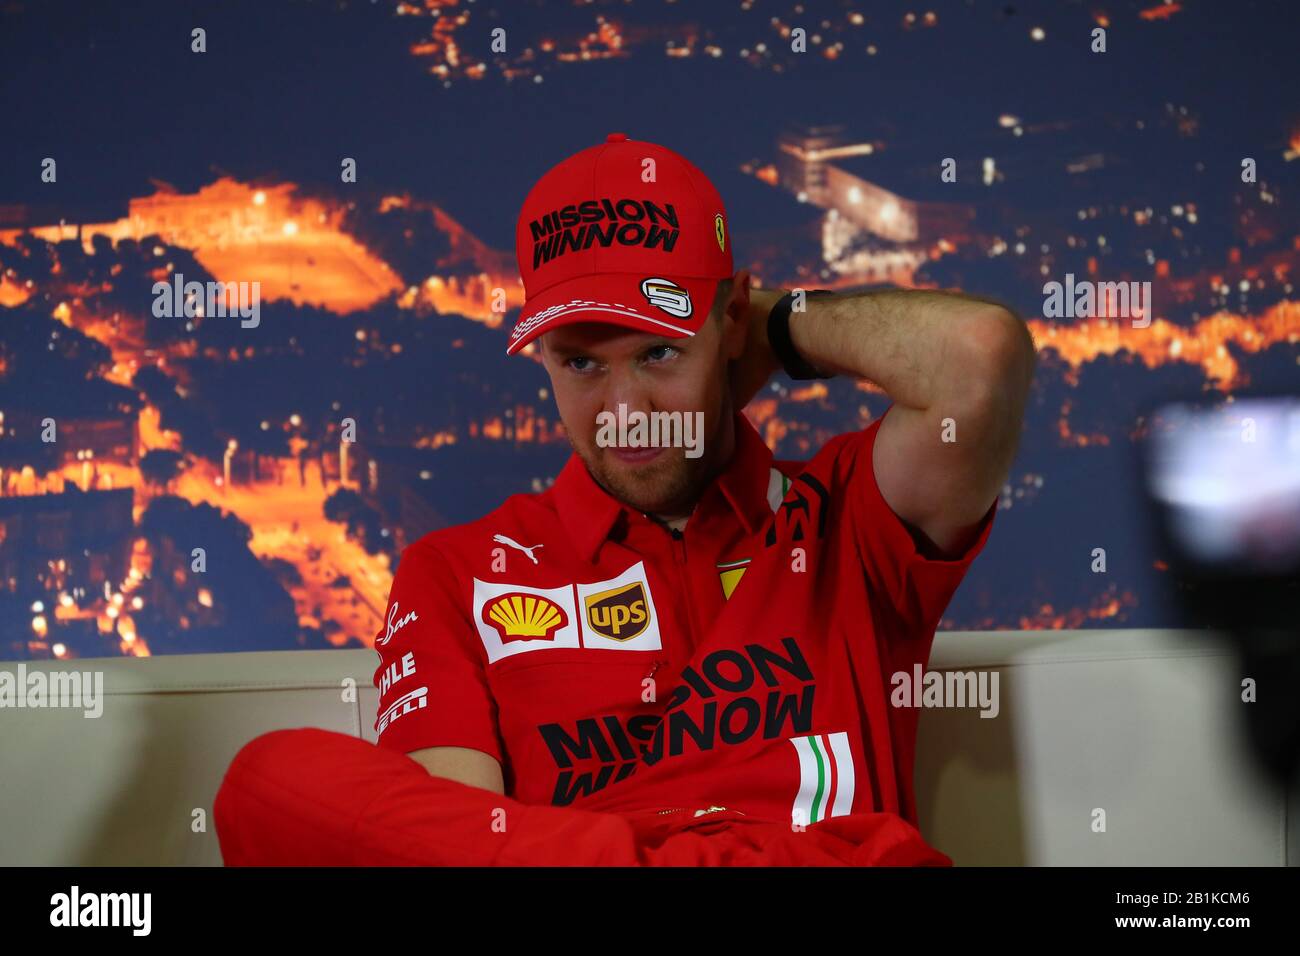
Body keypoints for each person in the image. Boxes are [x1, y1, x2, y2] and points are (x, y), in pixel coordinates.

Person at [214, 132, 1036, 866]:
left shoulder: (847, 517)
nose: (625, 413)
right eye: (581, 363)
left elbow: (979, 357)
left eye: (657, 354)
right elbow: (453, 842)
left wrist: (776, 323)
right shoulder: (458, 575)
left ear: (732, 324)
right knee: (268, 779)